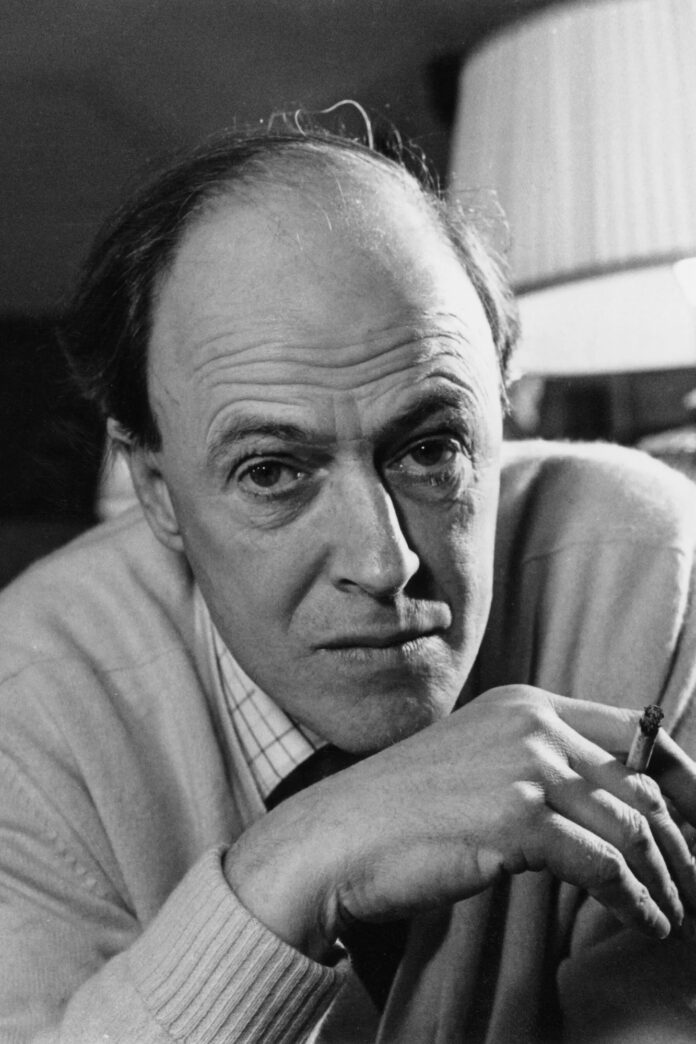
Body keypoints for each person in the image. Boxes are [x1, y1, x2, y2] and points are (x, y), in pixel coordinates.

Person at [2, 129, 696, 1044]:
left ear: (504, 408)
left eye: (431, 448)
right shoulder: (28, 703)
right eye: (272, 472)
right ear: (158, 491)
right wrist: (301, 863)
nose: (382, 563)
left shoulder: (652, 571)